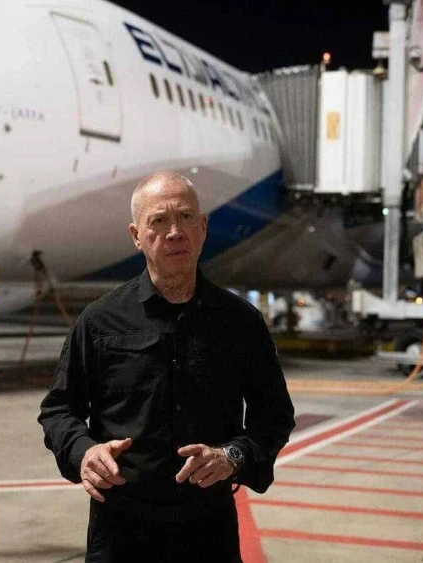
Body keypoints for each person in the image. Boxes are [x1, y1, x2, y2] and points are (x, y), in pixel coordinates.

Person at [38, 171, 295, 562]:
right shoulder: (98, 322)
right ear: (136, 236)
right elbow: (59, 410)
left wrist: (233, 457)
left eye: (186, 217)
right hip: (121, 534)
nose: (175, 231)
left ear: (204, 228)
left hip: (208, 532)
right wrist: (84, 453)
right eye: (158, 220)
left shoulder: (241, 323)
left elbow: (274, 416)